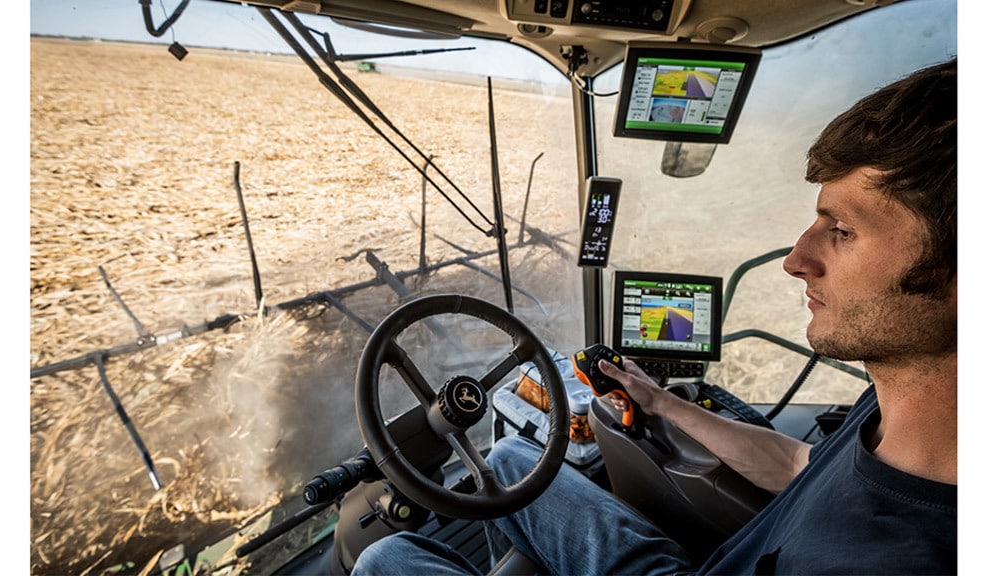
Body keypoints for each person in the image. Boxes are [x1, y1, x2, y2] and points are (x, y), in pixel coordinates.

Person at [352, 57, 957, 575]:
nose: (796, 260)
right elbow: (796, 464)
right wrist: (663, 402)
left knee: (384, 558)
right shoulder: (891, 406)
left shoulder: (898, 554)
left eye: (843, 231)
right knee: (512, 462)